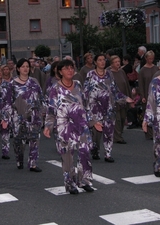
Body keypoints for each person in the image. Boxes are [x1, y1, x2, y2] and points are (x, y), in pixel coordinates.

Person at [44, 59, 94, 194]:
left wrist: (93, 121)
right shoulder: (55, 89)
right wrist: (48, 126)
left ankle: (84, 181)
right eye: (66, 68)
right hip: (64, 126)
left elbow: (85, 104)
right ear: (60, 72)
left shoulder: (78, 84)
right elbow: (51, 110)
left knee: (85, 152)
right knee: (68, 156)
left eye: (71, 68)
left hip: (81, 124)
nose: (70, 70)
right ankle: (70, 182)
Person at [83, 54, 134, 162]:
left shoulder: (109, 74)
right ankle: (95, 149)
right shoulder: (90, 74)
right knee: (96, 133)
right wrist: (84, 107)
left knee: (109, 131)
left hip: (108, 108)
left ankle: (108, 153)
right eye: (99, 60)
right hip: (95, 108)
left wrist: (125, 98)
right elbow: (85, 91)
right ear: (95, 62)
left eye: (103, 60)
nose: (102, 62)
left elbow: (115, 90)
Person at [4, 58, 44, 172]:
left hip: (34, 116)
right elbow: (7, 101)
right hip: (18, 117)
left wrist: (45, 112)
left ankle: (33, 163)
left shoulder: (34, 82)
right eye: (23, 66)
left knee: (35, 139)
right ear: (18, 69)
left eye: (27, 66)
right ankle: (19, 159)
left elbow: (41, 97)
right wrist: (6, 118)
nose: (25, 68)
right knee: (18, 141)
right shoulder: (12, 84)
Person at [108, 55, 133, 144]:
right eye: (115, 62)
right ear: (111, 64)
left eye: (119, 61)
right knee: (117, 119)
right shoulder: (109, 73)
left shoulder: (122, 72)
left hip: (124, 98)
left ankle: (119, 133)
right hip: (114, 99)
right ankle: (117, 137)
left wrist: (129, 97)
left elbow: (126, 84)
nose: (118, 63)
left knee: (123, 117)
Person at [138, 50, 159, 140]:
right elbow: (141, 84)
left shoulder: (156, 68)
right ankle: (149, 133)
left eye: (152, 58)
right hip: (147, 94)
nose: (151, 60)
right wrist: (142, 96)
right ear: (146, 58)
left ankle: (156, 132)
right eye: (149, 58)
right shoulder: (142, 70)